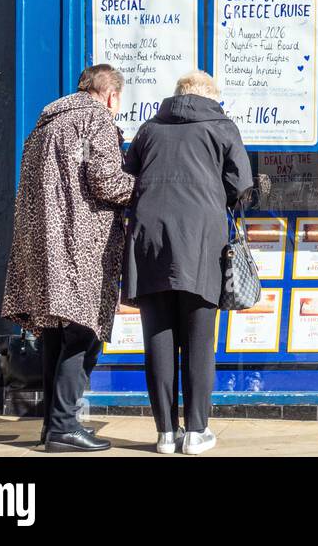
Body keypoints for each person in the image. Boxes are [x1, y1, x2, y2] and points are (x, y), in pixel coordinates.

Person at [2, 64, 134, 453]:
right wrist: (149, 187)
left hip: (43, 247)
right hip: (81, 246)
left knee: (57, 334)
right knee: (83, 332)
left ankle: (52, 425)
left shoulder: (45, 126)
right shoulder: (96, 121)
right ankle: (63, 426)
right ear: (111, 95)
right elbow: (106, 180)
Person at [123, 70, 253, 455]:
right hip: (201, 241)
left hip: (149, 240)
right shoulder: (221, 127)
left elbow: (127, 180)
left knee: (158, 338)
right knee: (199, 339)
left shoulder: (148, 130)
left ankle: (165, 433)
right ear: (211, 97)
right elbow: (240, 186)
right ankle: (196, 432)